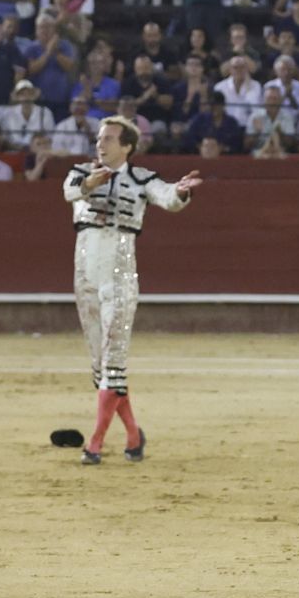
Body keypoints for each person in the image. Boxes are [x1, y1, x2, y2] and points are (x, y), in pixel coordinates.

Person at [62, 115, 201, 465]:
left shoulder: (142, 179)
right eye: (99, 138)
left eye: (109, 138)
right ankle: (134, 436)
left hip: (120, 274)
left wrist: (181, 191)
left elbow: (167, 196)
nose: (100, 144)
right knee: (100, 365)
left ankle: (94, 444)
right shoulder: (79, 172)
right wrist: (89, 183)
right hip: (86, 275)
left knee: (113, 363)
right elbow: (68, 191)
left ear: (126, 146)